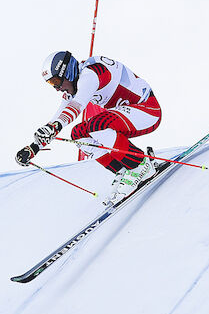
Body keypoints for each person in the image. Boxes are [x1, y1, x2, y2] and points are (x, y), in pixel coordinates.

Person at [15, 51, 162, 205]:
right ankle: (124, 170)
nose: (57, 88)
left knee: (97, 126)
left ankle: (139, 166)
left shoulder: (91, 74)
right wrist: (33, 148)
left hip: (148, 110)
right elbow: (56, 120)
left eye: (57, 81)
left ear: (68, 72)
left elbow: (76, 106)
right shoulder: (76, 85)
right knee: (78, 134)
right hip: (130, 116)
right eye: (52, 84)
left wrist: (55, 126)